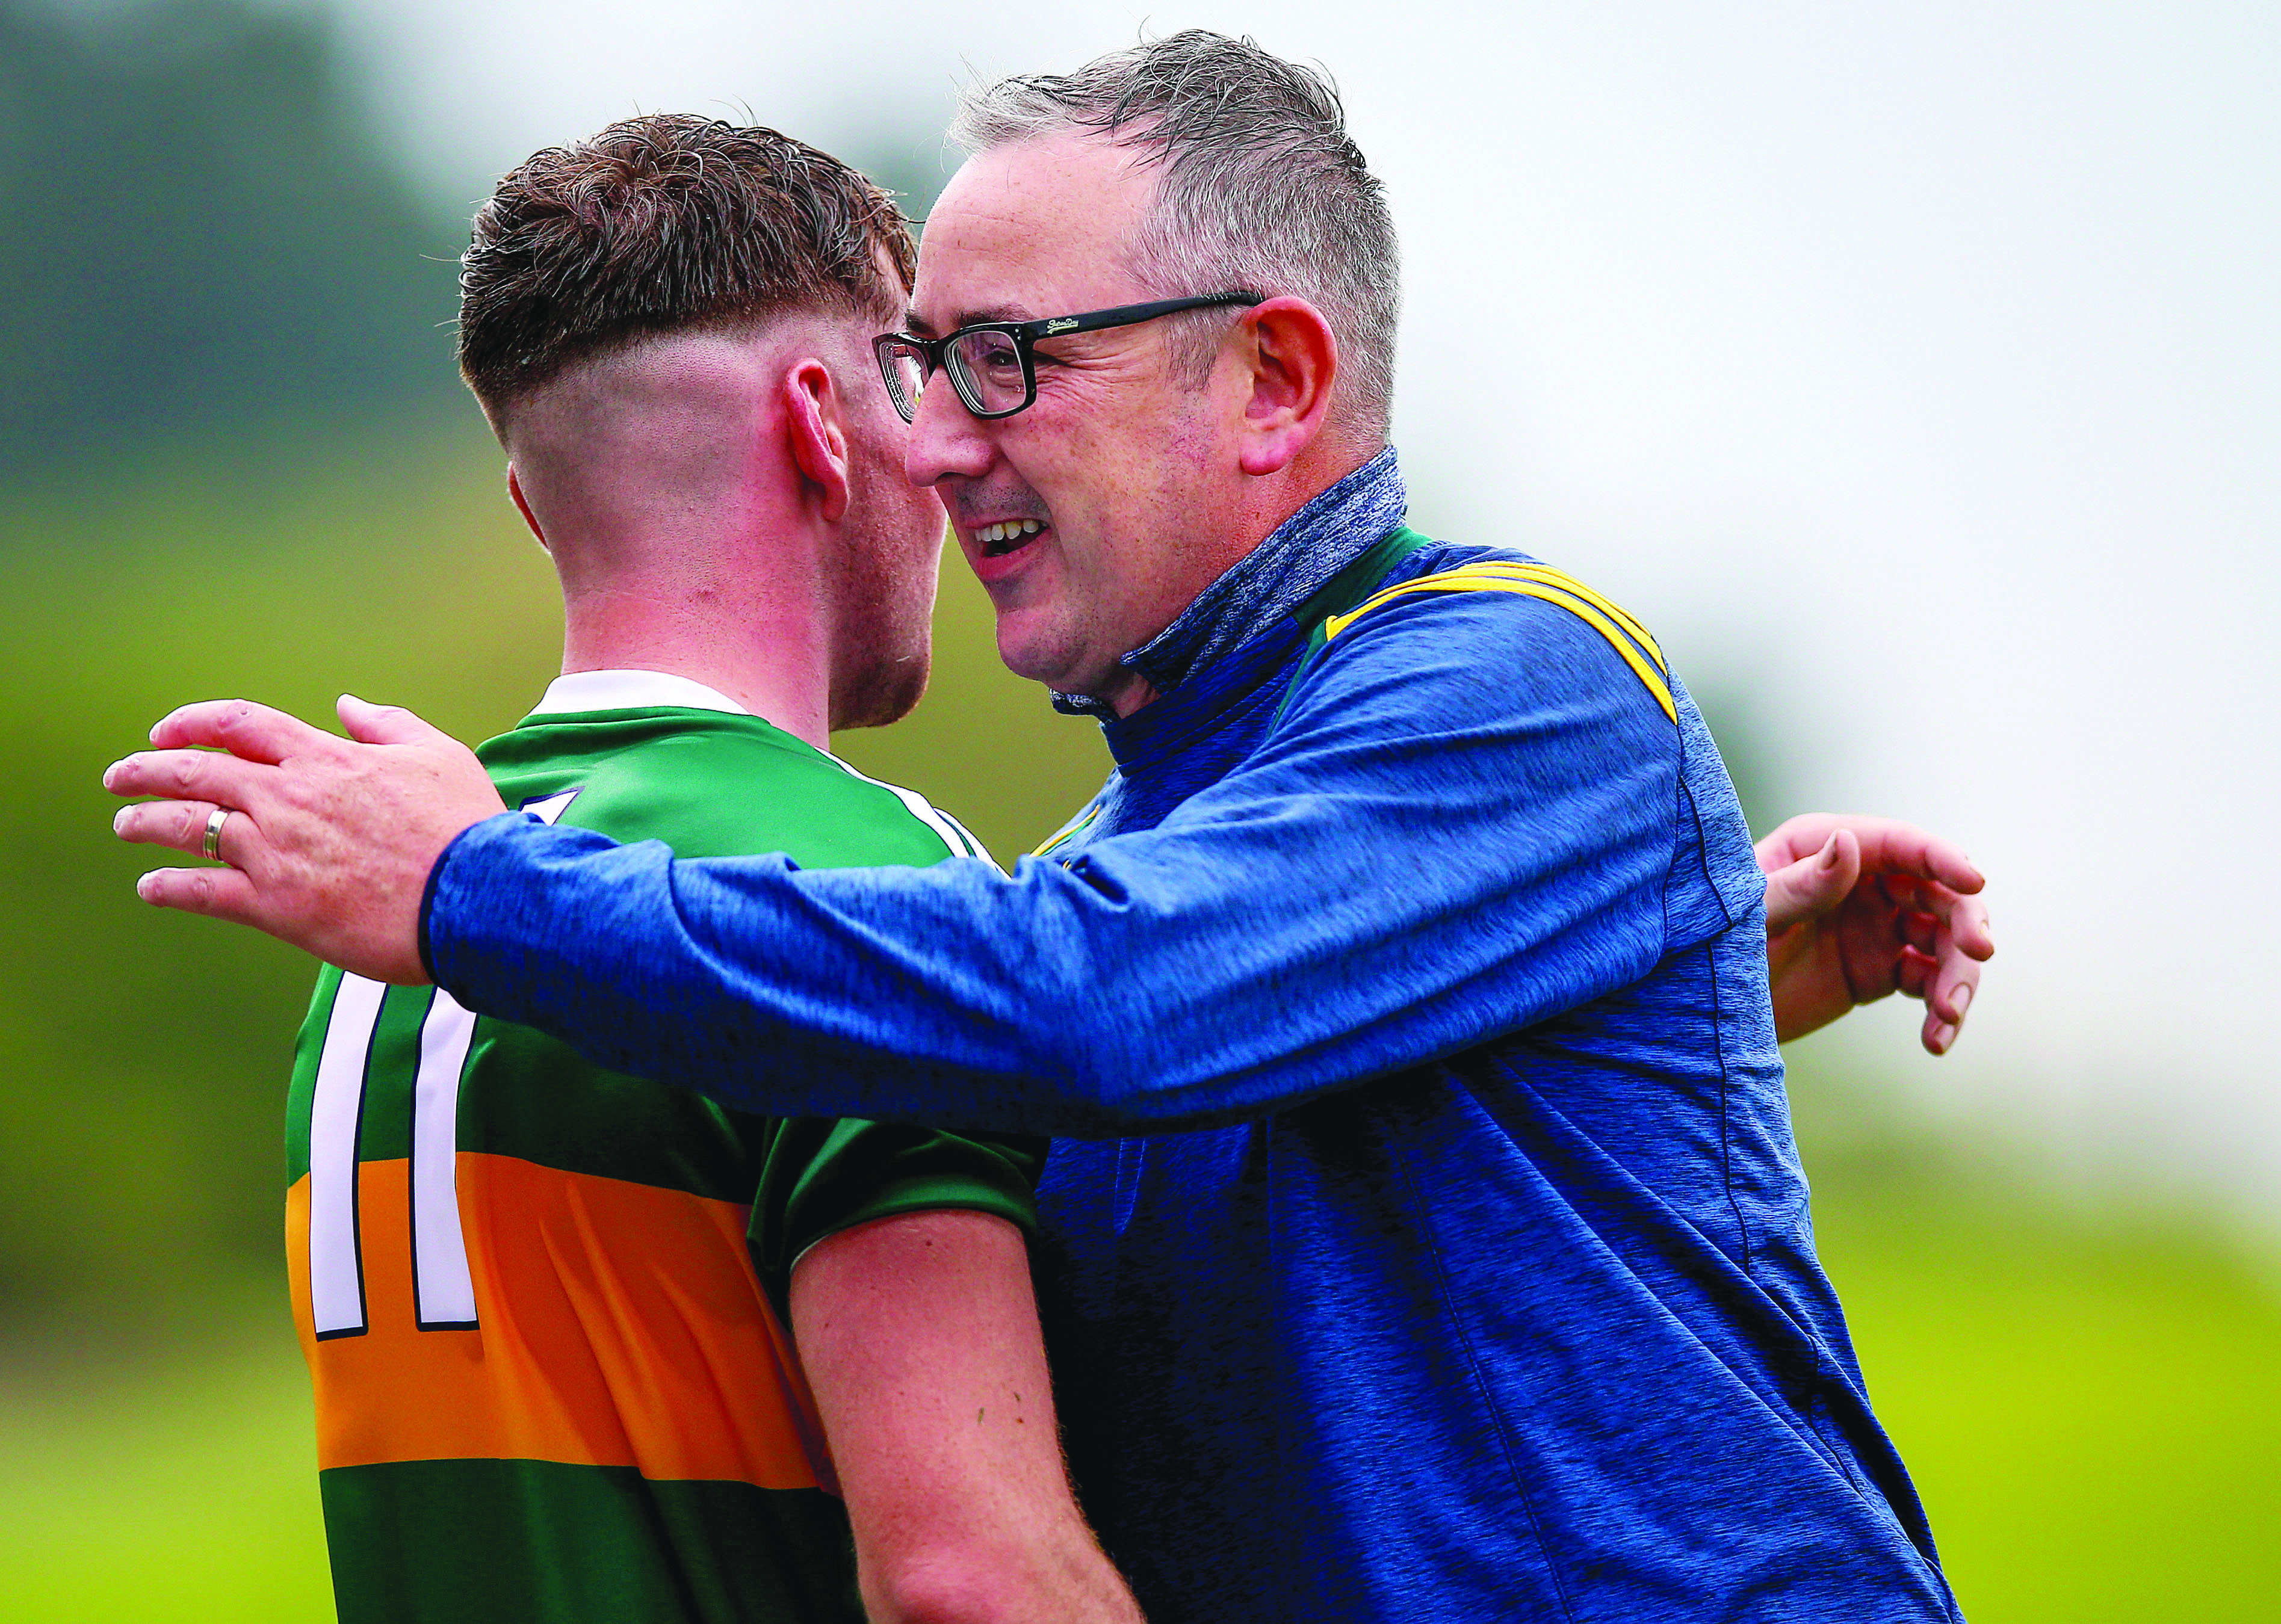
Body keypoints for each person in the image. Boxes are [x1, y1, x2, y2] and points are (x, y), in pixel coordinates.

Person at [108, 34, 1993, 1623]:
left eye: (1007, 357)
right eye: (921, 362)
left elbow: (1090, 1013)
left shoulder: (1512, 674)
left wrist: (471, 886)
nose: (925, 442)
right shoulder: (1140, 839)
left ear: (1271, 378)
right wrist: (1666, 967)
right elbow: (1143, 1067)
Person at [272, 116, 1141, 1624]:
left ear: (532, 504)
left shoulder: (386, 931)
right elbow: (966, 1574)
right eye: (904, 378)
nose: (940, 446)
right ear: (817, 419)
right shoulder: (860, 872)